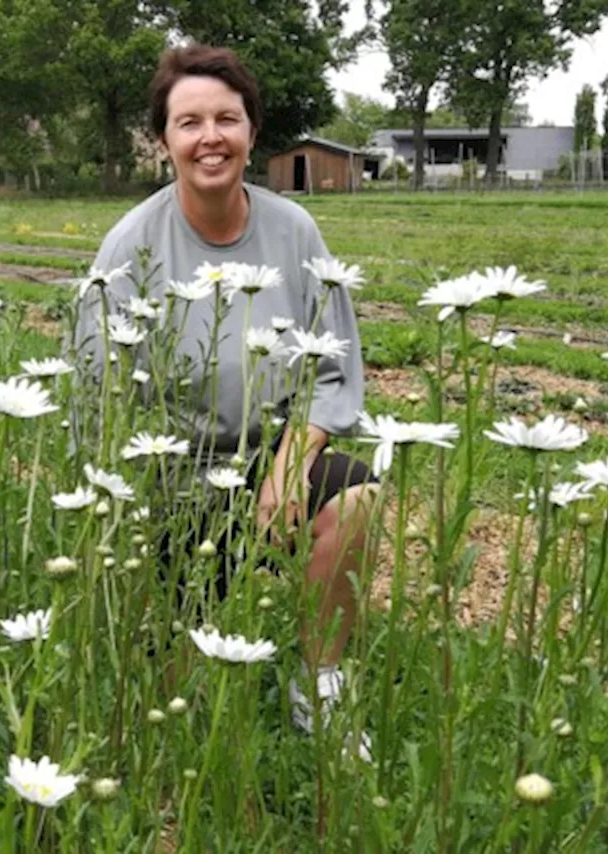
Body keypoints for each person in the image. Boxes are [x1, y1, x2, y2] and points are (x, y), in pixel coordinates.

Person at [70, 44, 377, 756]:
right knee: (184, 708)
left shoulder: (293, 231)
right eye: (189, 122)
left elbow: (333, 368)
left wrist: (289, 460)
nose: (210, 137)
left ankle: (319, 687)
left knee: (357, 499)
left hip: (274, 454)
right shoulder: (129, 250)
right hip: (171, 470)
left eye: (226, 119)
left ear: (251, 132)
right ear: (164, 141)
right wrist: (131, 501)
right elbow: (99, 390)